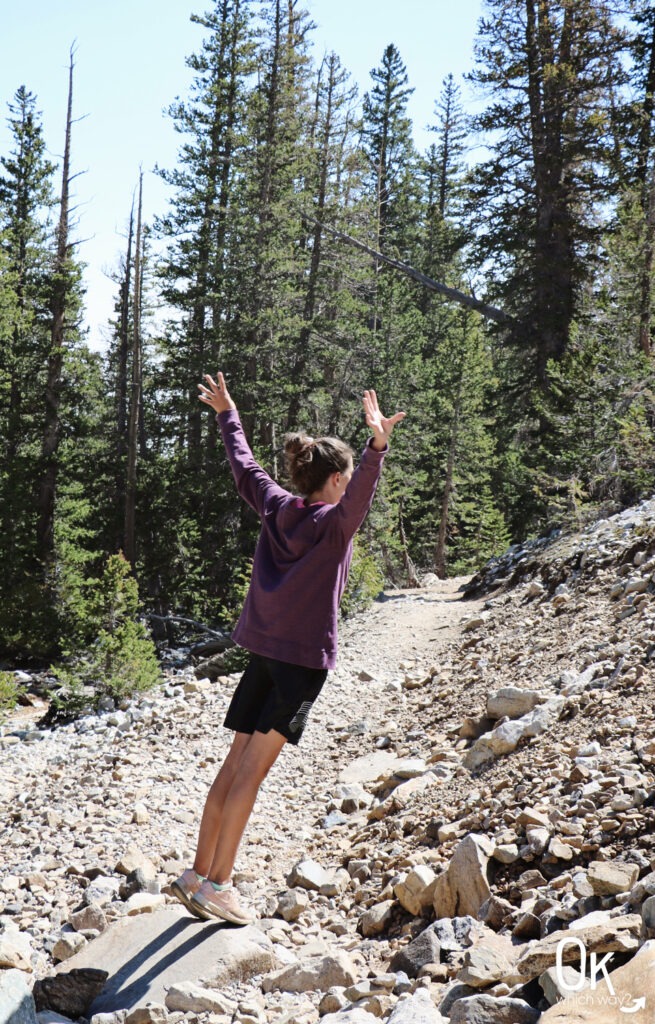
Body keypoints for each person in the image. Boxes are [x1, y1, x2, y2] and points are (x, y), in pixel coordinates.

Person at [170, 372, 405, 925]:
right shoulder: (334, 525)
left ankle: (196, 874)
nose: (351, 486)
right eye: (347, 477)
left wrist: (228, 413)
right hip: (300, 667)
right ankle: (220, 884)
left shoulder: (278, 506)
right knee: (252, 773)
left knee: (233, 764)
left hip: (263, 655)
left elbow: (245, 466)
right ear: (336, 478)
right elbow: (362, 494)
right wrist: (377, 445)